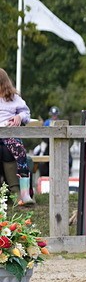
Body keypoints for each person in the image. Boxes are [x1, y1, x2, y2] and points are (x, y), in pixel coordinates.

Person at [0, 68, 34, 205]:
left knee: (18, 151)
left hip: (10, 133)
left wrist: (19, 116)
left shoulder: (13, 98)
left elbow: (26, 114)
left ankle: (23, 192)